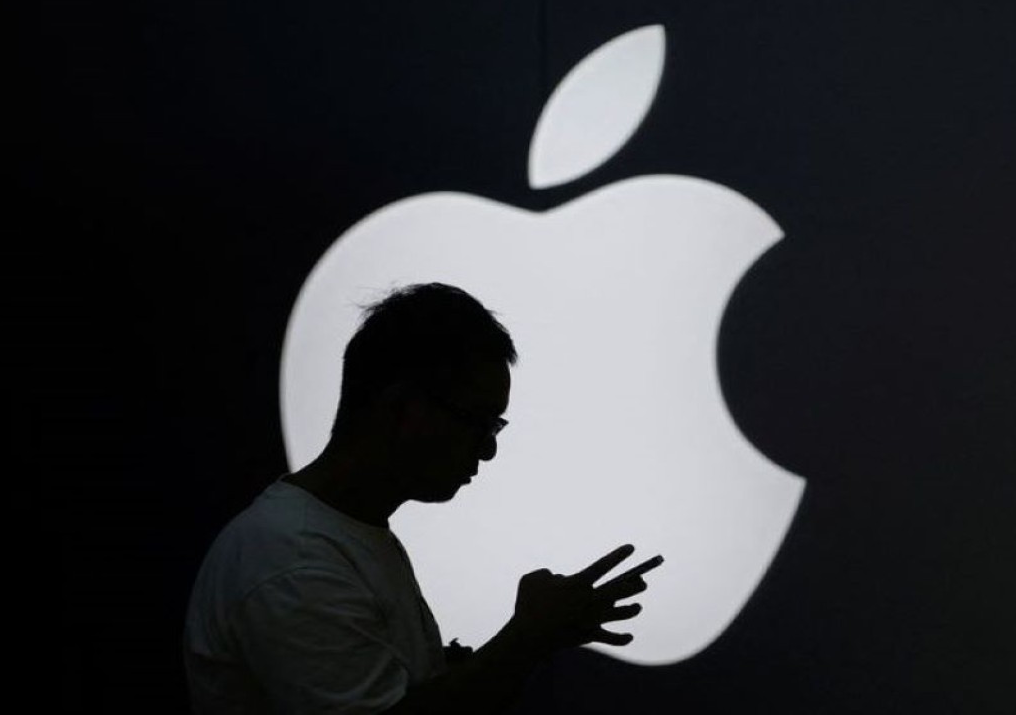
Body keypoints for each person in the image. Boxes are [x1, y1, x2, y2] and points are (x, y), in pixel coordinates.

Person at [183, 282, 663, 714]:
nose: (490, 448)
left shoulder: (337, 536)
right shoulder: (292, 559)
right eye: (479, 423)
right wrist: (526, 640)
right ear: (402, 409)